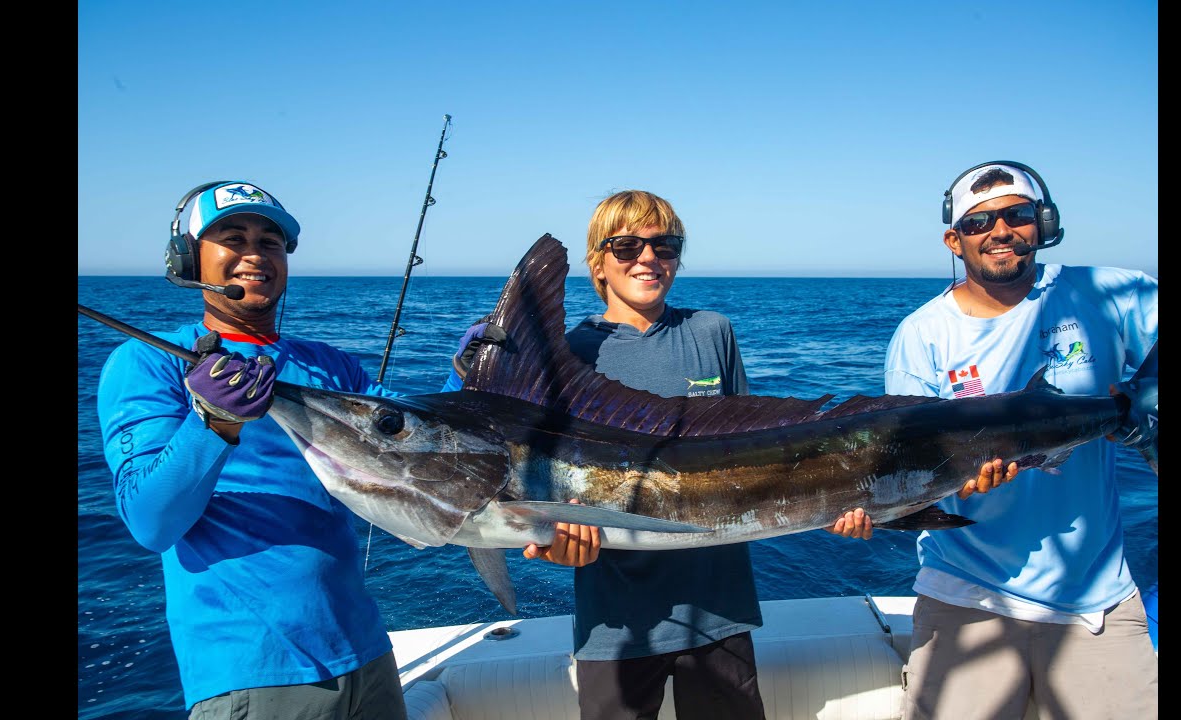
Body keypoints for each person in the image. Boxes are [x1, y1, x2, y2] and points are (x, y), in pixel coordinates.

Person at [444, 189, 876, 719]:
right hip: (616, 623)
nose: (648, 258)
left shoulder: (712, 332)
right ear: (598, 263)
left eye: (665, 246)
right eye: (626, 246)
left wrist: (836, 500)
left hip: (719, 608)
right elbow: (539, 490)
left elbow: (766, 452)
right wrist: (551, 544)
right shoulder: (573, 353)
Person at [96, 180, 408, 720]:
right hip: (253, 674)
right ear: (189, 258)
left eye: (270, 241)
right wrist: (211, 423)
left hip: (369, 655)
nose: (254, 254)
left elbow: (419, 445)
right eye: (232, 238)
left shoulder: (332, 366)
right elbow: (151, 522)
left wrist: (469, 375)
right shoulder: (147, 362)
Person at [883, 161, 1159, 719]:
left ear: (1044, 223)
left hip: (1098, 602)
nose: (1000, 231)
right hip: (965, 596)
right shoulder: (921, 335)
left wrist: (1145, 410)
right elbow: (906, 471)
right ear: (953, 239)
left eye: (1018, 215)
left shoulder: (1106, 293)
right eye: (980, 221)